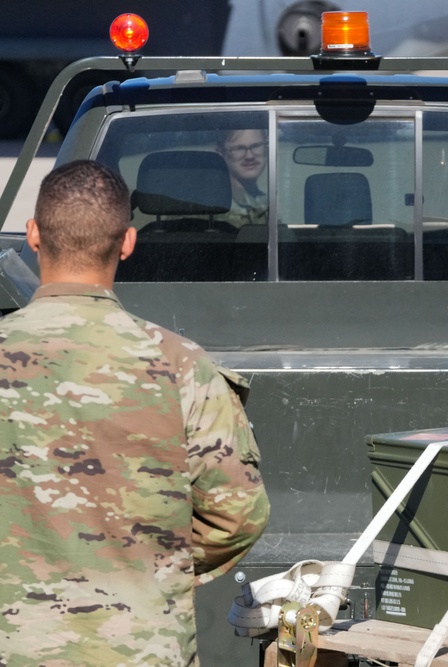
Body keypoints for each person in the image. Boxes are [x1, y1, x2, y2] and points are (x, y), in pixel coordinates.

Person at [0, 160, 270, 665]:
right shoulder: (181, 366)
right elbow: (237, 514)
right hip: (139, 646)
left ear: (33, 234)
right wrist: (153, 561)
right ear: (127, 242)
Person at [216, 128, 268, 227]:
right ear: (220, 153)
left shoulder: (264, 201)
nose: (249, 156)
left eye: (256, 146)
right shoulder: (216, 207)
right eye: (239, 148)